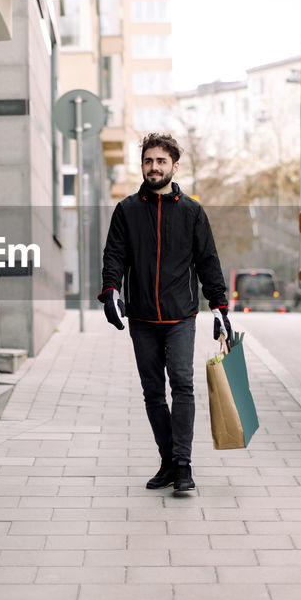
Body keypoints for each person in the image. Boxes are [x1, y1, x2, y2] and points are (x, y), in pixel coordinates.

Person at [99, 133, 233, 494]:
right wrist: (110, 291)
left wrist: (219, 307)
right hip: (141, 318)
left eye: (160, 161)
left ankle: (184, 466)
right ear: (141, 165)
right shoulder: (127, 210)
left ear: (175, 166)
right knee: (153, 393)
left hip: (180, 317)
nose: (153, 167)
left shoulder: (191, 211)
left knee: (182, 384)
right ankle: (168, 461)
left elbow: (208, 262)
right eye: (148, 161)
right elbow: (114, 257)